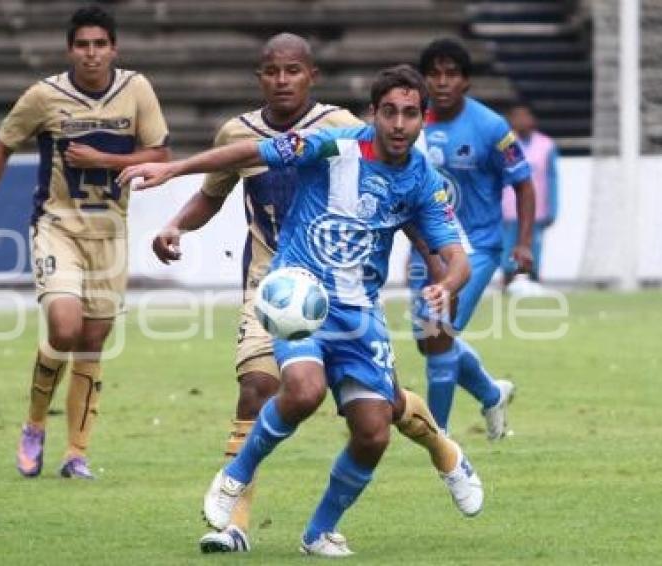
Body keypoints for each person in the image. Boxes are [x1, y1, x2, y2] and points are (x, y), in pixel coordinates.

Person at [120, 65, 481, 557]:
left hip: (360, 313)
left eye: (410, 114)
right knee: (301, 389)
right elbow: (251, 151)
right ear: (373, 113)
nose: (399, 124)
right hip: (298, 293)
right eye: (390, 112)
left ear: (424, 120)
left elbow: (456, 256)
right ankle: (235, 476)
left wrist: (446, 283)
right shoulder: (333, 144)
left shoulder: (422, 180)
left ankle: (320, 531)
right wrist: (172, 169)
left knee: (374, 430)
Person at [0, 6, 170, 479]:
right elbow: (2, 145)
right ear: (70, 49)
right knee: (64, 326)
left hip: (111, 233)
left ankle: (76, 453)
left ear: (113, 48)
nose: (91, 53)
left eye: (100, 44)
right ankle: (35, 423)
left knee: (92, 343)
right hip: (58, 227)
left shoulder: (136, 90)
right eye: (83, 45)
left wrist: (102, 159)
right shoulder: (44, 96)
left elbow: (160, 154)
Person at [409, 38, 535, 438]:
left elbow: (525, 184)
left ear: (465, 81)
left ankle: (437, 436)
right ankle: (491, 392)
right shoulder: (413, 123)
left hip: (477, 247)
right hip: (428, 249)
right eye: (434, 74)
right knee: (429, 340)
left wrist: (524, 243)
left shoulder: (491, 127)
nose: (442, 82)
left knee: (438, 329)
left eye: (452, 74)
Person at [501, 103, 559, 291]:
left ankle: (532, 278)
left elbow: (552, 178)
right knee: (508, 244)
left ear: (533, 120)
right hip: (508, 207)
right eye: (517, 117)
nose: (522, 121)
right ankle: (508, 278)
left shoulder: (546, 145)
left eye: (525, 116)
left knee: (534, 244)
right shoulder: (505, 144)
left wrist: (553, 207)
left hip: (537, 208)